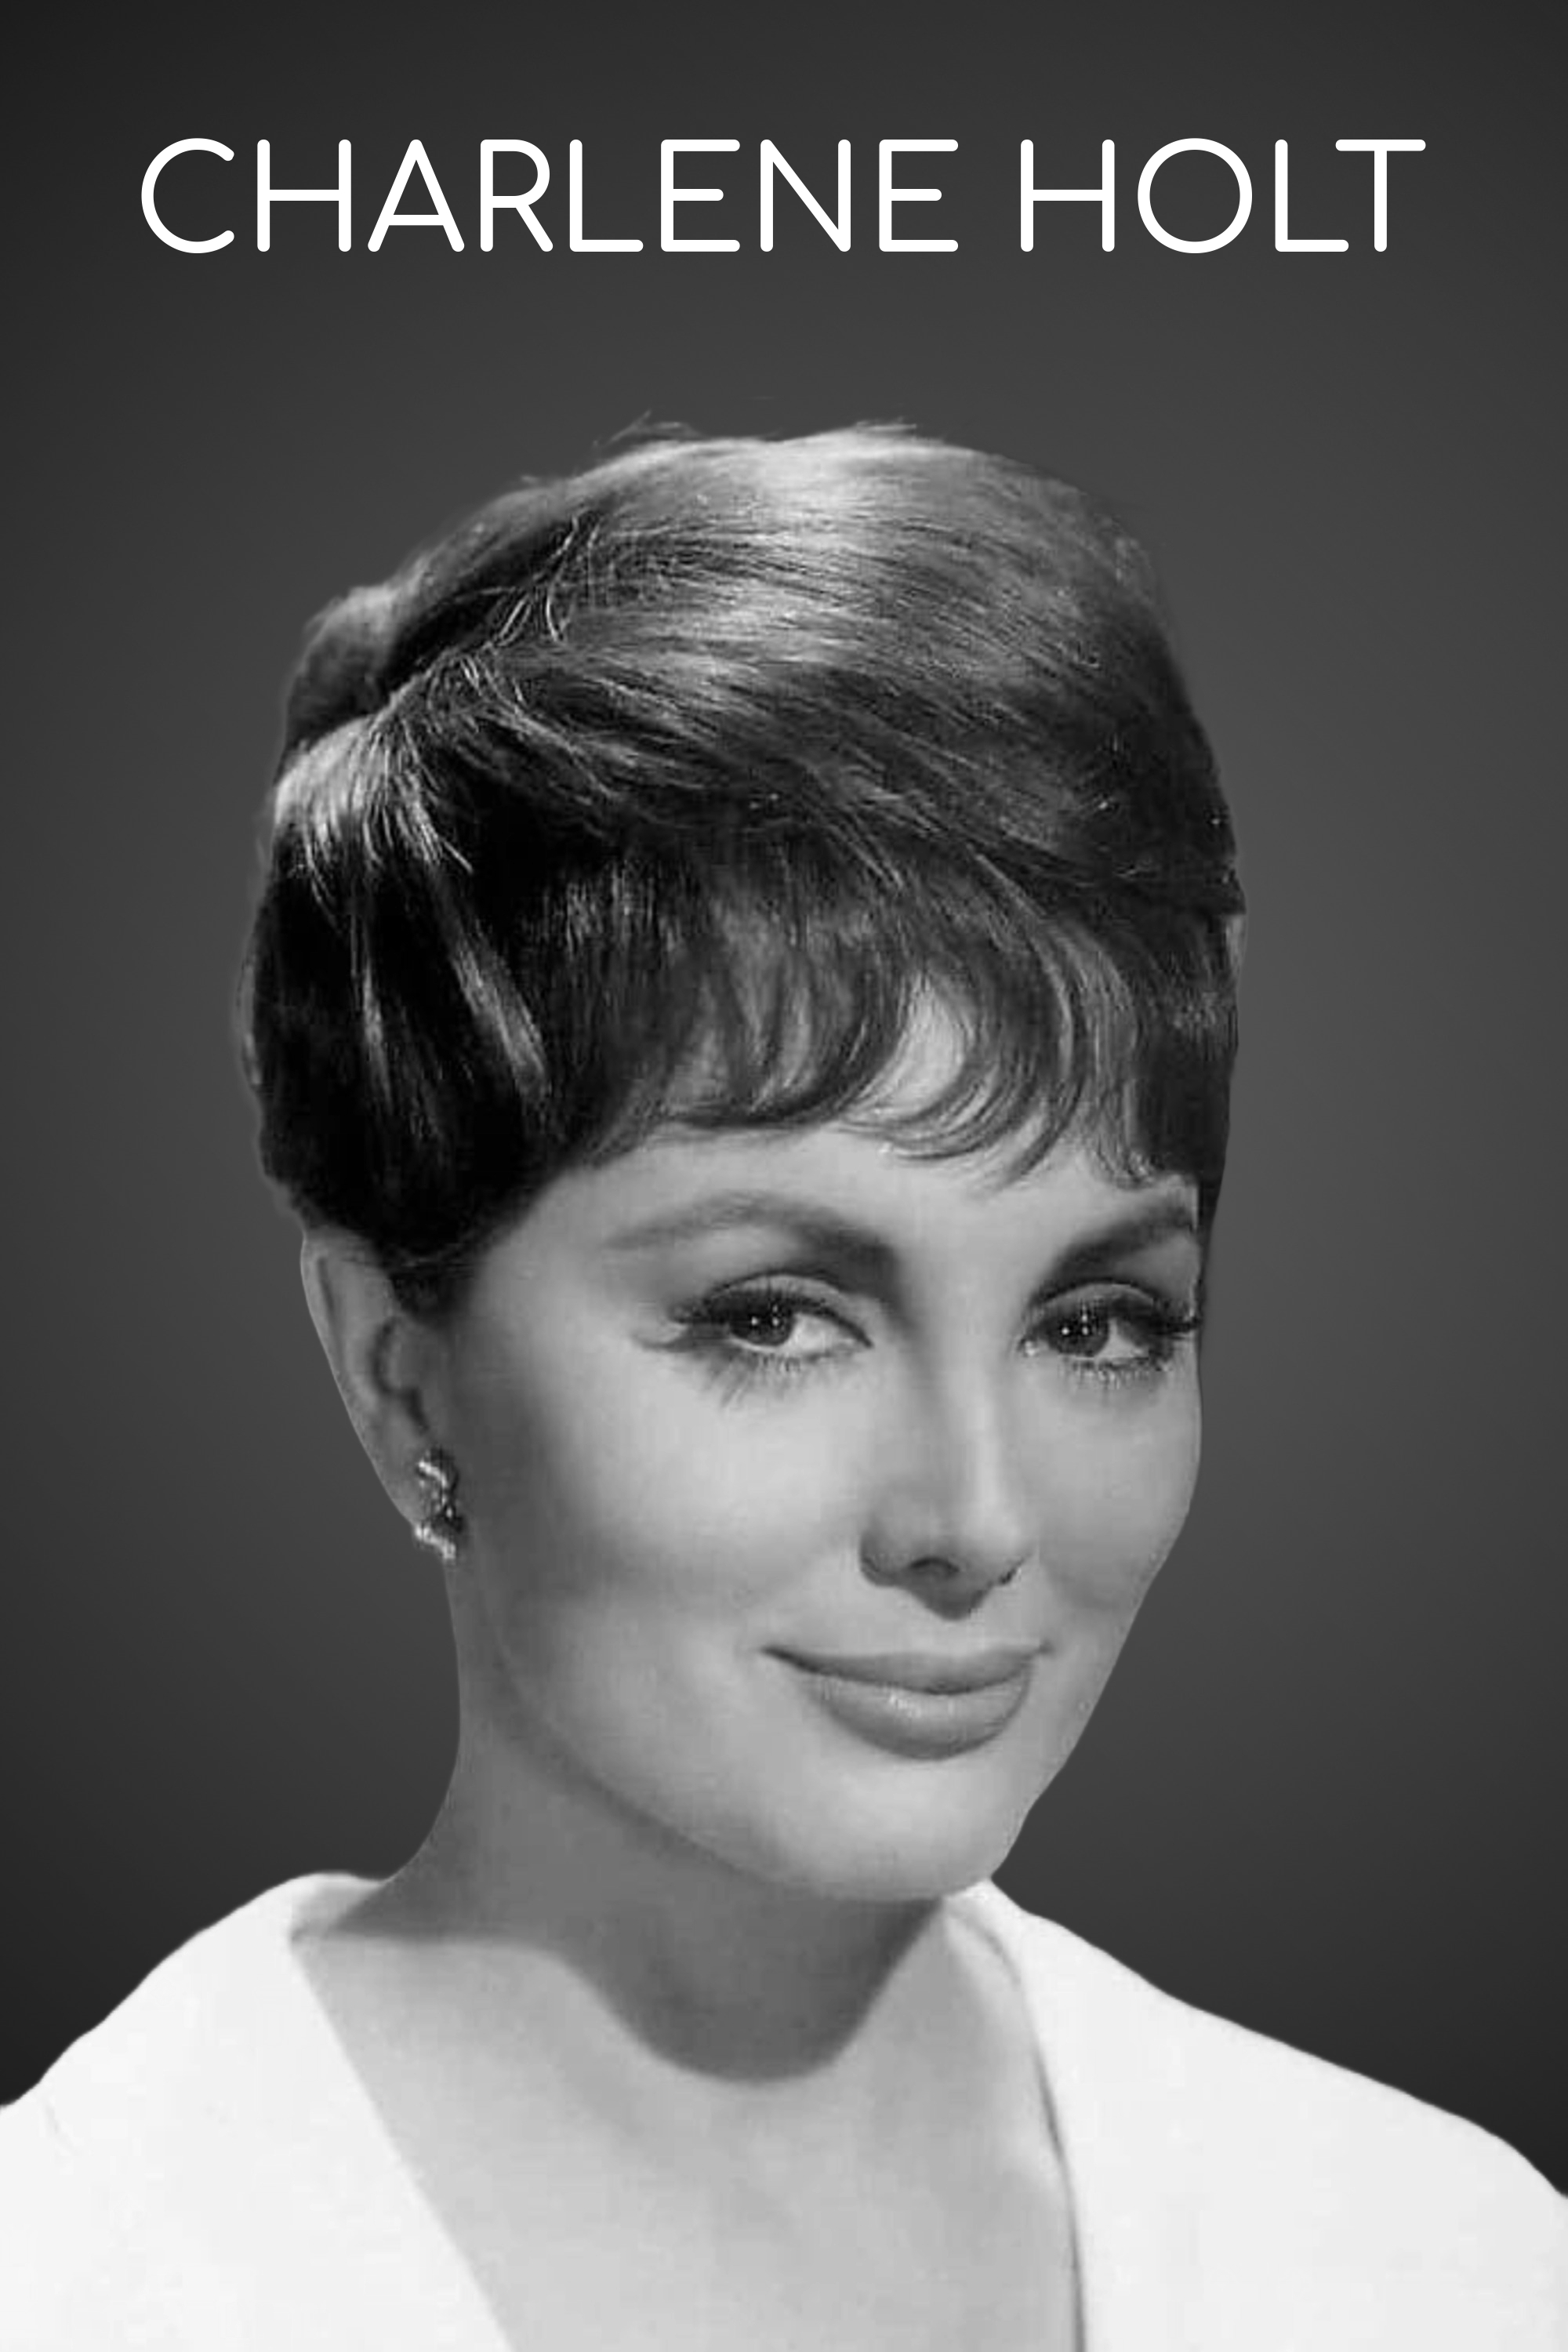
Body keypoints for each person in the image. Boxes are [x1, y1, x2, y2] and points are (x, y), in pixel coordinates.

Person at [2, 428, 1561, 2349]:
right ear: (399, 1377)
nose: (975, 1518)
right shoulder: (72, 2277)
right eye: (771, 1317)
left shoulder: (1449, 2265)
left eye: (1097, 1324)